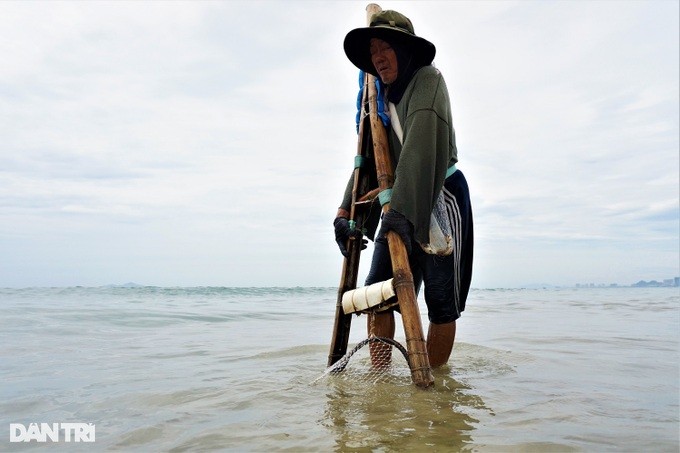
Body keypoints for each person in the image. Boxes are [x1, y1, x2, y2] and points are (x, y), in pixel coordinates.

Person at [333, 10, 473, 368]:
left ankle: (435, 388)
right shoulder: (376, 102)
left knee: (441, 302)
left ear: (404, 49)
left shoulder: (428, 80)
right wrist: (346, 214)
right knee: (377, 291)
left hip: (439, 195)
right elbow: (369, 158)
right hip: (398, 201)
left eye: (385, 48)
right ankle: (381, 383)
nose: (378, 57)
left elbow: (421, 143)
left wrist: (402, 211)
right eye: (373, 51)